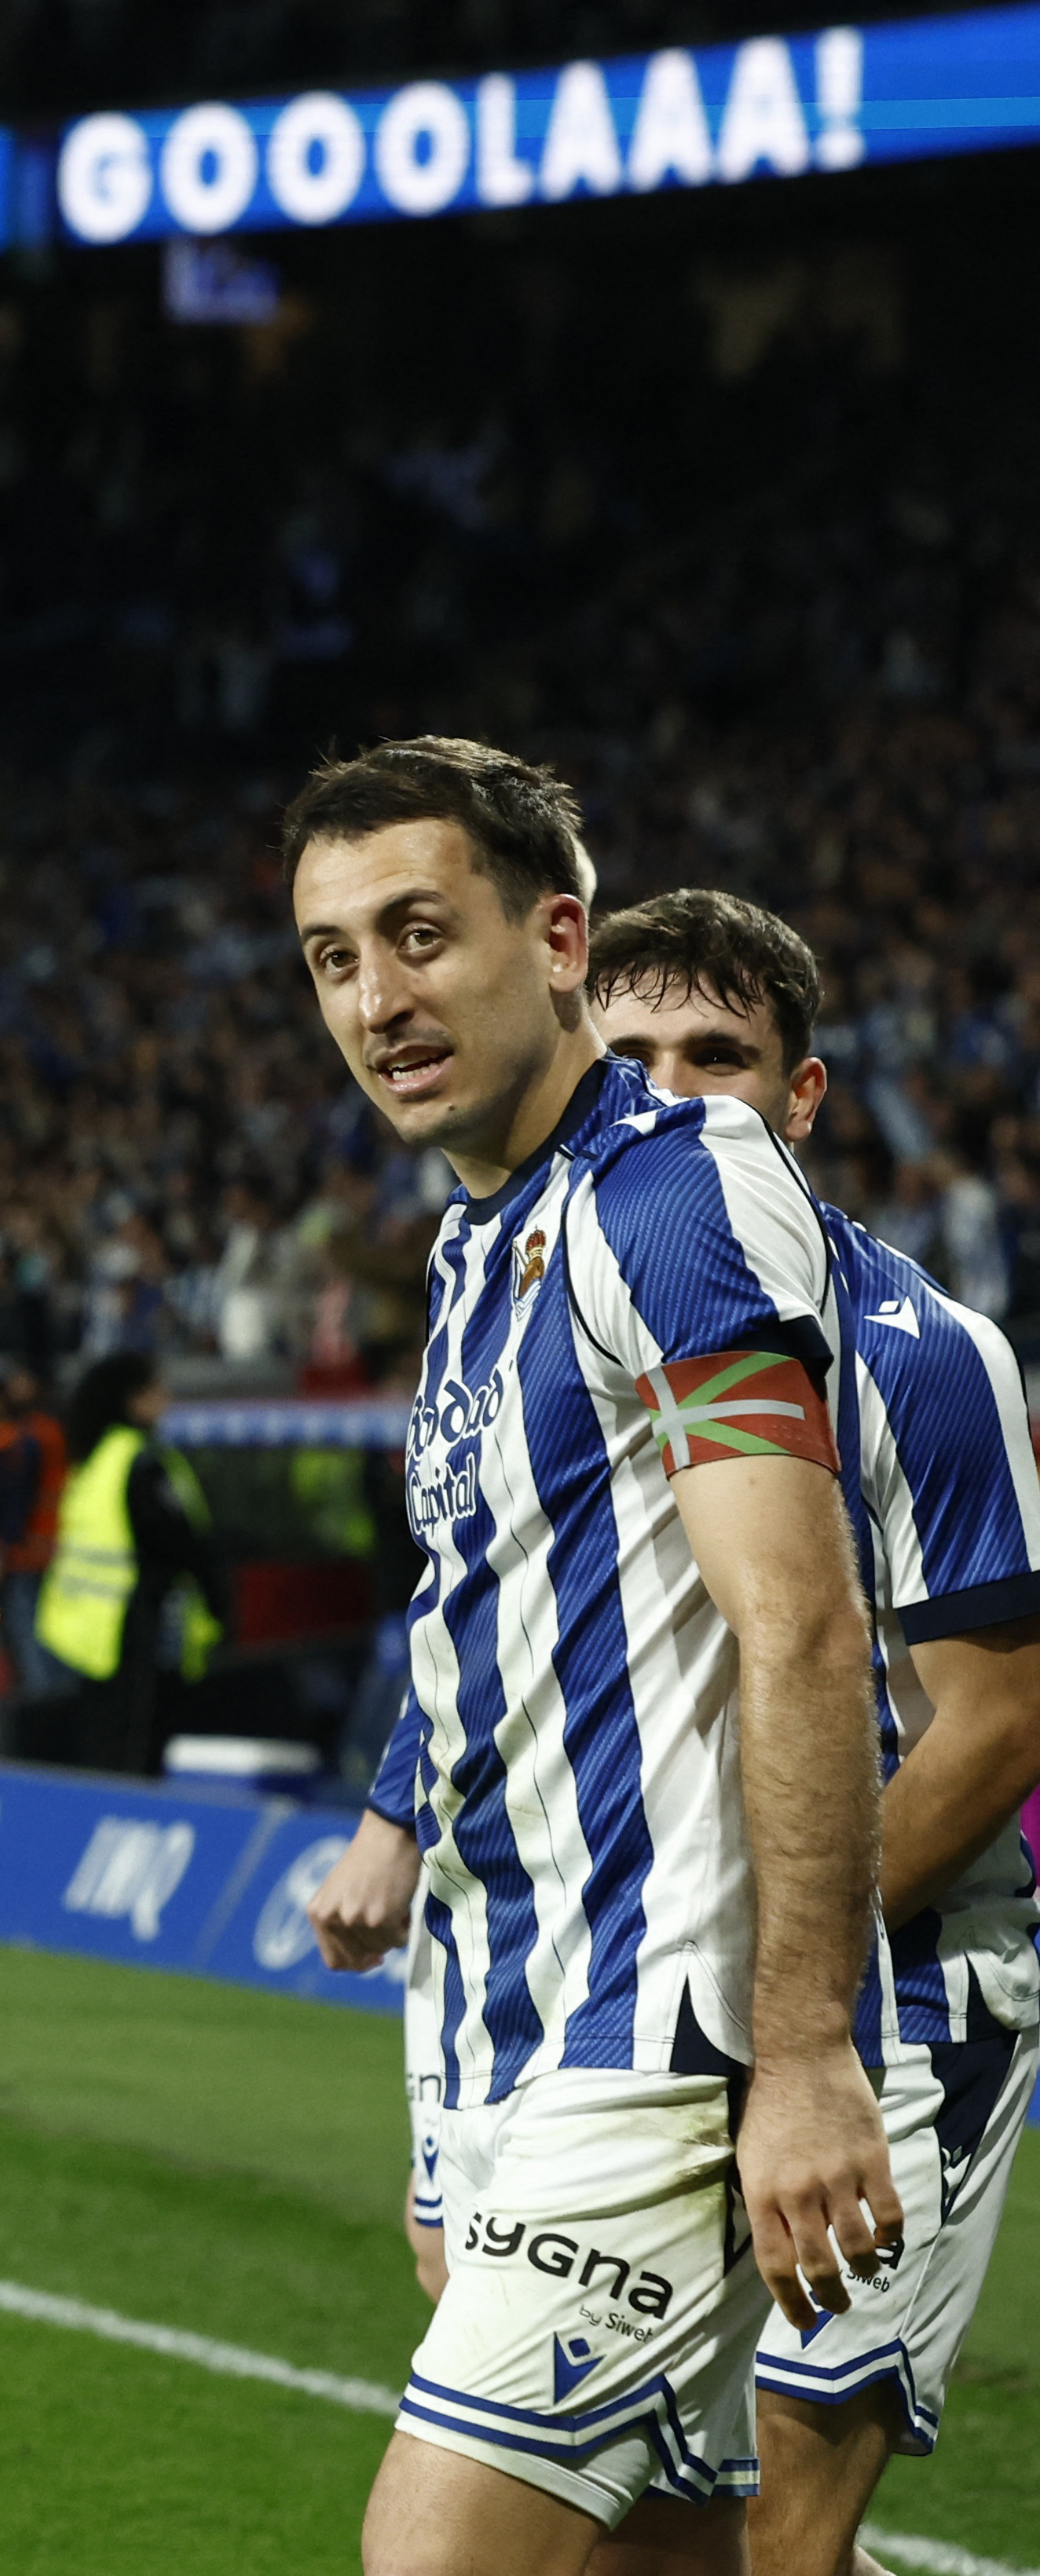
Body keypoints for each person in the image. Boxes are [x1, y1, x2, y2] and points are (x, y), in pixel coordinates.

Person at [317, 884, 1039, 2576]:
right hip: (650, 1977)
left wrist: (783, 1959)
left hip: (896, 1986)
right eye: (632, 1051)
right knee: (663, 2519)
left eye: (716, 1056)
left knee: (779, 2519)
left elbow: (996, 1725)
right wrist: (398, 1808)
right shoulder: (550, 1283)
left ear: (799, 1098)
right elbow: (498, 1617)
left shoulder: (923, 1357)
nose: (666, 1088)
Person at [32, 1351, 227, 1775]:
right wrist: (220, 1605)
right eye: (158, 1389)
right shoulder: (143, 1461)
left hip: (90, 1632)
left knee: (101, 1751)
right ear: (134, 1400)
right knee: (137, 1758)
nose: (168, 1398)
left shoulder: (96, 1456)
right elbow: (183, 1544)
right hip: (136, 1633)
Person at [0, 1363, 64, 1701]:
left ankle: (43, 1705)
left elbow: (10, 1502)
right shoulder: (18, 1435)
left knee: (30, 1635)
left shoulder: (15, 1439)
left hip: (23, 1555)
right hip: (36, 1551)